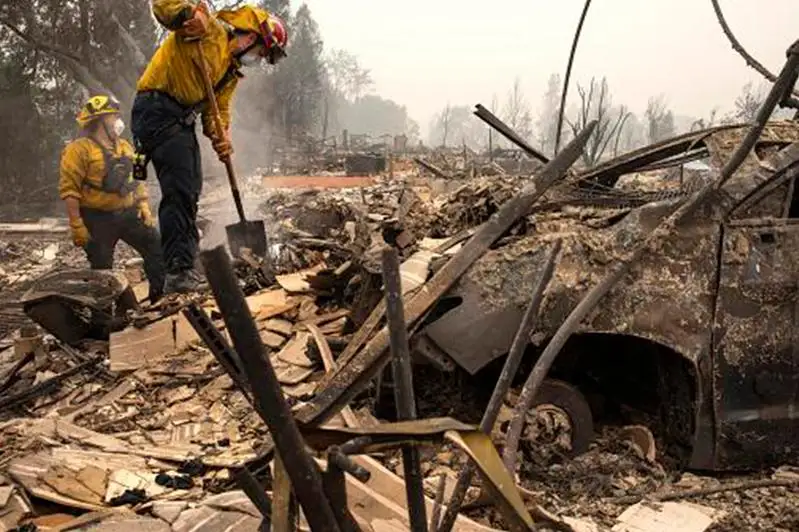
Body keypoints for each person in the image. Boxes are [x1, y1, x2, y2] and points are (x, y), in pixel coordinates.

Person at [131, 0, 288, 294]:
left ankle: (184, 265)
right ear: (252, 37)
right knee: (179, 190)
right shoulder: (210, 31)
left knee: (190, 189)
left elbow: (218, 113)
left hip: (179, 118)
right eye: (261, 52)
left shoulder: (230, 73)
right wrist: (189, 14)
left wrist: (222, 139)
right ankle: (178, 273)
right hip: (157, 109)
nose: (258, 59)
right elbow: (162, 6)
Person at [59, 95, 166, 302]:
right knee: (102, 270)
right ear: (99, 120)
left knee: (155, 247)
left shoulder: (125, 146)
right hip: (97, 220)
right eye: (112, 115)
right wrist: (76, 224)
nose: (118, 119)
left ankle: (159, 297)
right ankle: (109, 319)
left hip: (127, 213)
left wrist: (143, 205)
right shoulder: (78, 150)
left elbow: (139, 176)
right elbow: (69, 191)